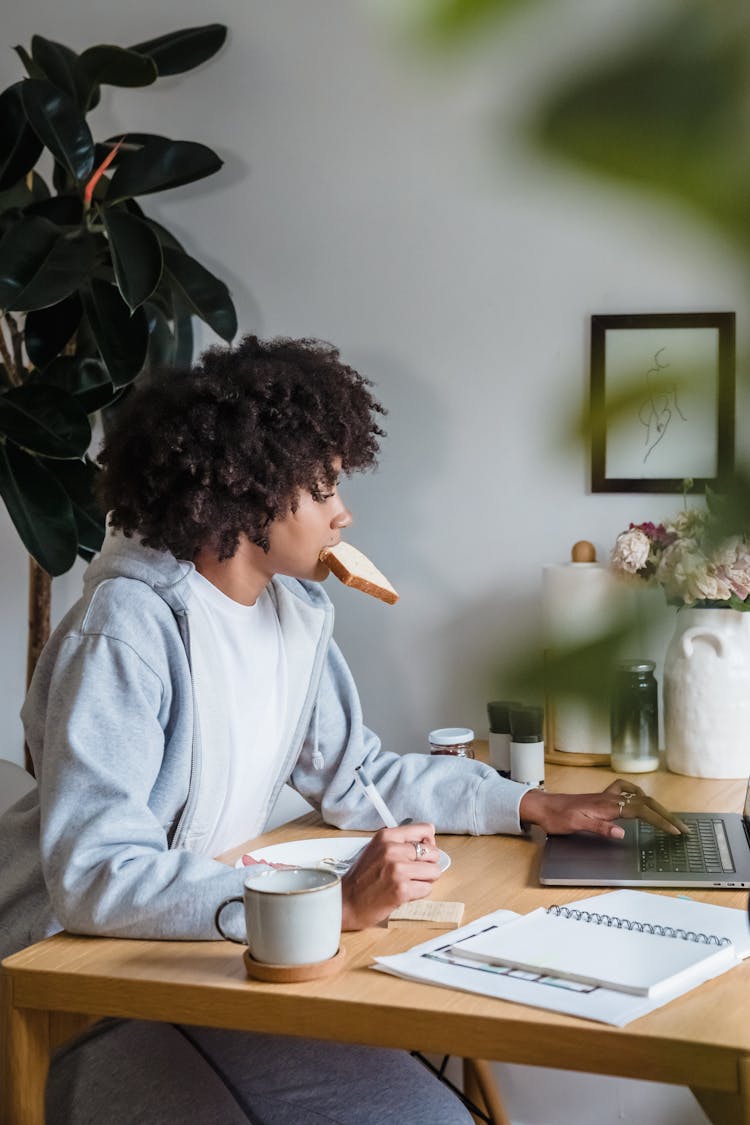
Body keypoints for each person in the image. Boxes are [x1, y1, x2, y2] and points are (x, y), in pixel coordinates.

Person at [0, 335, 685, 1124]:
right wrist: (326, 903)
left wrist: (530, 804)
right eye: (323, 484)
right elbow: (96, 874)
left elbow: (358, 777)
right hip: (84, 990)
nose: (343, 511)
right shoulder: (127, 629)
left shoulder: (297, 614)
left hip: (214, 961)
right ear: (246, 489)